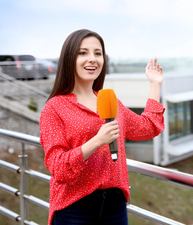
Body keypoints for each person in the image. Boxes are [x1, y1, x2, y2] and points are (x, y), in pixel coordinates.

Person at [40, 29, 165, 225]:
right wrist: (97, 141)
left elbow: (147, 128)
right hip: (74, 207)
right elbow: (58, 167)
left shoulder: (109, 100)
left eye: (98, 53)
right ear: (69, 58)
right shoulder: (54, 108)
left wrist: (155, 84)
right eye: (83, 53)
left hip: (114, 206)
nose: (92, 59)